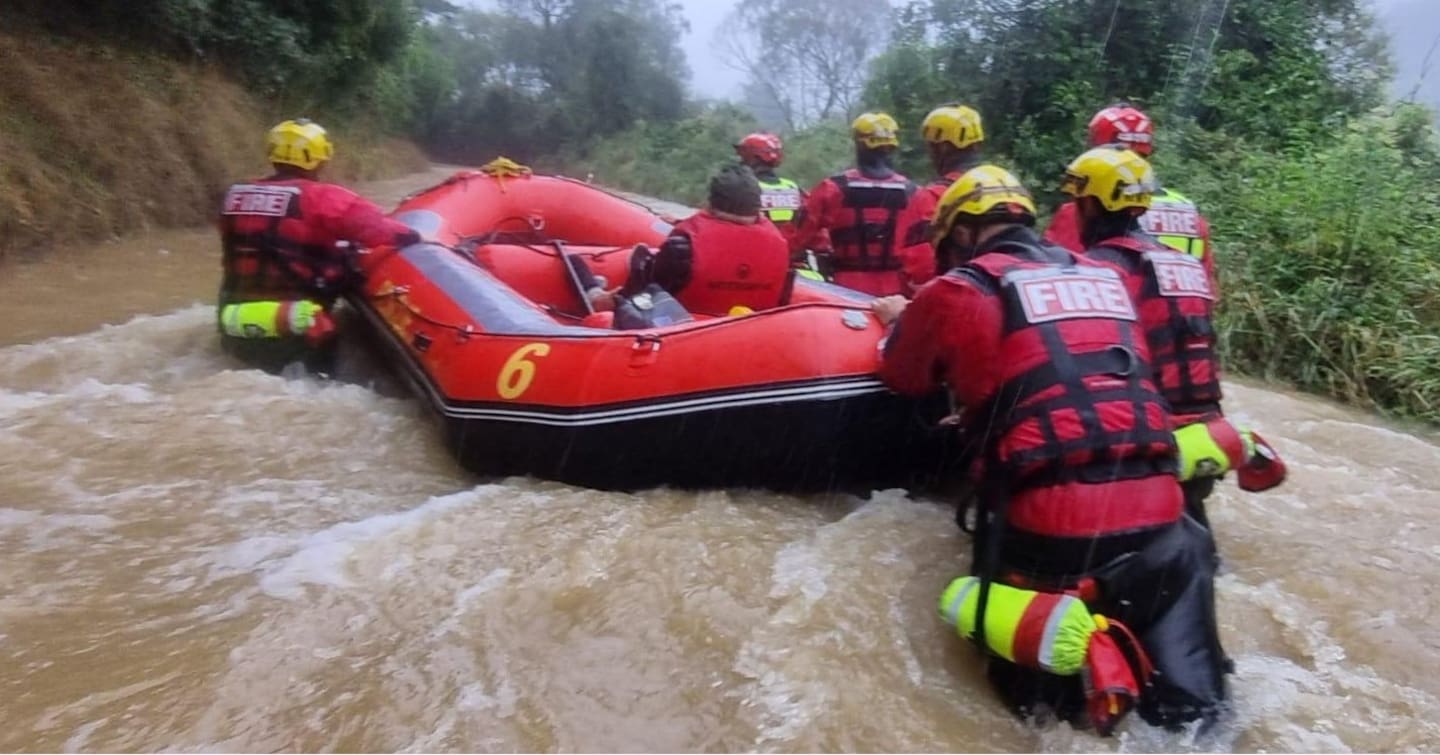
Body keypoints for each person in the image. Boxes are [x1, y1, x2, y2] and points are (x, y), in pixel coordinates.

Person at [872, 164, 1230, 732]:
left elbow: (905, 374)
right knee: (1199, 724)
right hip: (1170, 526)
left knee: (1041, 722)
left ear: (961, 233)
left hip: (1056, 537)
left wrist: (898, 318)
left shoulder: (959, 288)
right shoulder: (1107, 279)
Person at [1059, 146, 1286, 529]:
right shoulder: (1187, 265)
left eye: (1079, 202)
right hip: (1207, 436)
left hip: (1146, 442)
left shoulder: (1097, 269)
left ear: (1093, 205)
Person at [218, 119, 420, 375]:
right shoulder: (325, 198)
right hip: (298, 326)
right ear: (318, 159)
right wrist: (416, 236)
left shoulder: (234, 195)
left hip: (235, 320)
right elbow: (382, 230)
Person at [1044, 104, 1217, 287]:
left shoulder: (1084, 209)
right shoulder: (1190, 214)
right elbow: (1206, 282)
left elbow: (1056, 273)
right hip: (1187, 310)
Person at [629, 164, 790, 317]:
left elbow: (648, 298)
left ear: (711, 202)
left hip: (687, 335)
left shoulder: (681, 247)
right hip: (754, 337)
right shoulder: (780, 247)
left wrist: (638, 267)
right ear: (757, 207)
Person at [788, 112, 916, 295]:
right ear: (892, 147)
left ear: (858, 145)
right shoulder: (914, 193)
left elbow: (798, 239)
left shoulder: (831, 189)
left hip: (847, 288)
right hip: (897, 292)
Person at [893, 104, 985, 295]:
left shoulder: (931, 196)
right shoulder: (1005, 188)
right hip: (1000, 295)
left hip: (954, 297)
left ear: (942, 147)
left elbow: (918, 266)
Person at [734, 133, 803, 233]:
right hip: (789, 246)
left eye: (743, 157)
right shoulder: (792, 187)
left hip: (757, 243)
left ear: (753, 157)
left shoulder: (743, 187)